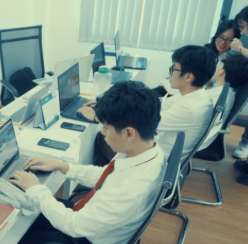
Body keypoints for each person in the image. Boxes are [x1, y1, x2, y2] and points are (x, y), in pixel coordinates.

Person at [4, 81, 166, 244]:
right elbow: (105, 174)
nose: (102, 132)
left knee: (10, 242)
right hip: (94, 226)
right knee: (26, 213)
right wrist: (63, 166)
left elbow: (73, 225)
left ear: (129, 133)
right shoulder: (147, 151)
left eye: (106, 127)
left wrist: (36, 188)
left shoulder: (130, 191)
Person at [85, 45, 217, 166]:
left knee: (104, 135)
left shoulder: (190, 109)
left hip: (157, 160)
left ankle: (107, 177)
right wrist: (109, 103)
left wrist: (98, 117)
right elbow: (156, 103)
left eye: (173, 69)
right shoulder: (196, 96)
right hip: (158, 148)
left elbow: (141, 123)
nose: (169, 74)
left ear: (188, 76)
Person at [229, 3, 248, 159]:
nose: (241, 31)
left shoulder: (244, 45)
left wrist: (241, 48)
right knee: (234, 103)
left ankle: (247, 142)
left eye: (243, 27)